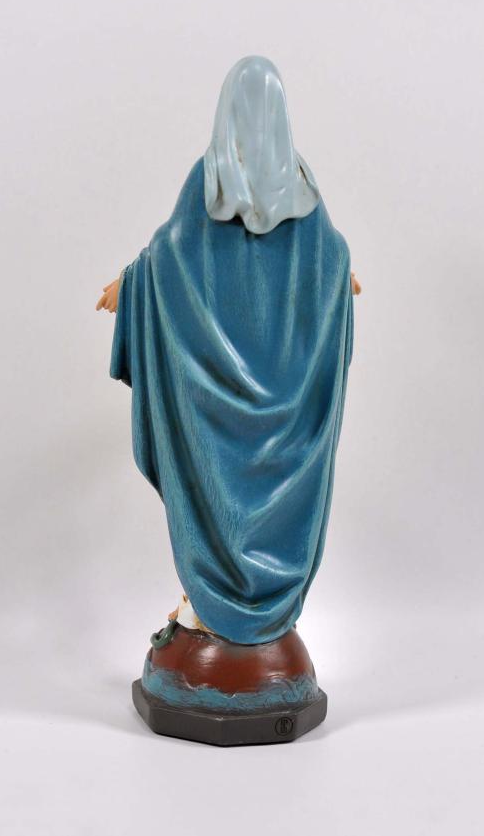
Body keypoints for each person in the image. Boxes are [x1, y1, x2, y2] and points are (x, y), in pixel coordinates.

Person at [97, 56, 359, 646]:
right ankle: (224, 606)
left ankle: (216, 601)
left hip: (211, 392)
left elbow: (169, 257)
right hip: (283, 393)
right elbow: (324, 254)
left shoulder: (211, 180)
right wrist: (338, 276)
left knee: (208, 481)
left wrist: (131, 285)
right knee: (237, 486)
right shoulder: (300, 186)